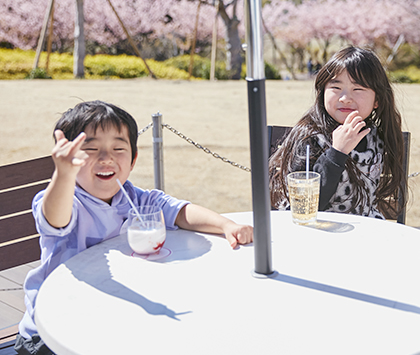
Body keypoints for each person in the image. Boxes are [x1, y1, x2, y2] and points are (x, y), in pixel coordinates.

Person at [15, 101, 254, 355]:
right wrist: (63, 176)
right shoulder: (68, 199)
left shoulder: (133, 198)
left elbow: (179, 211)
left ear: (133, 160)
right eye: (91, 149)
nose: (105, 158)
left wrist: (226, 225)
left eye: (118, 148)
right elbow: (55, 218)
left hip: (107, 317)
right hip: (52, 330)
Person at [269, 46, 405, 219]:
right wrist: (337, 153)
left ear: (377, 100)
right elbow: (305, 206)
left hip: (364, 231)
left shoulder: (375, 136)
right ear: (322, 92)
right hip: (317, 230)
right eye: (336, 87)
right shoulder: (309, 138)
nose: (345, 98)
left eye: (358, 89)